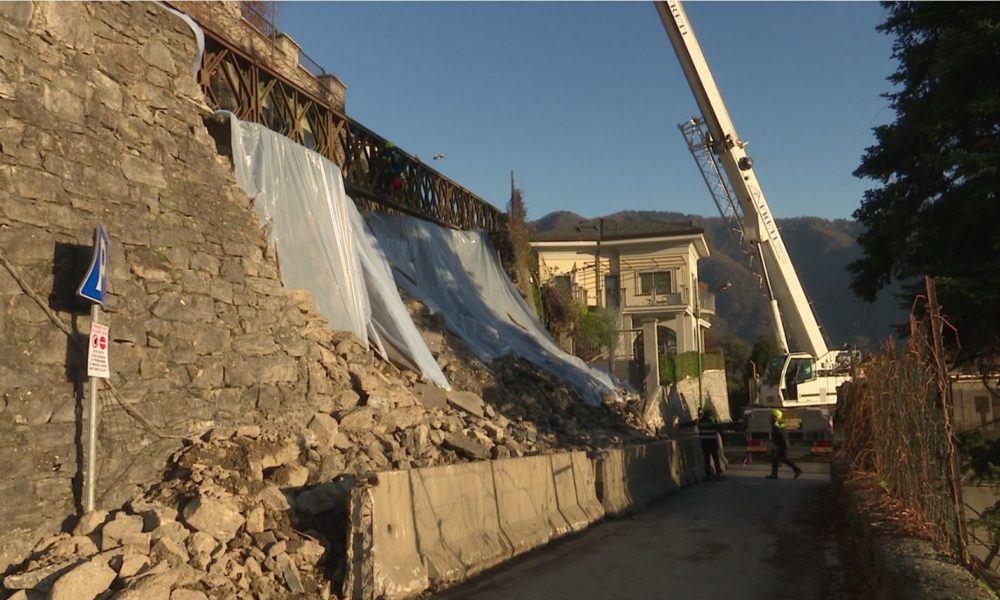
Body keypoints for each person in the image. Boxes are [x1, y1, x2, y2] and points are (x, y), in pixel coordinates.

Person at [675, 406, 724, 480]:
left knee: (706, 459)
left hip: (704, 442)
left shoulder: (699, 420)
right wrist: (725, 439)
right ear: (709, 412)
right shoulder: (713, 420)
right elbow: (720, 431)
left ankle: (708, 475)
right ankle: (718, 474)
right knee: (715, 458)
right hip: (712, 442)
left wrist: (679, 425)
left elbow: (690, 424)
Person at [766, 409, 802, 479]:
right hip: (780, 444)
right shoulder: (778, 423)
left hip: (780, 444)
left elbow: (779, 434)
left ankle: (796, 470)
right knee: (779, 459)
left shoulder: (777, 424)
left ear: (776, 417)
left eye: (773, 416)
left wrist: (776, 445)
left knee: (779, 458)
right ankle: (796, 470)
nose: (771, 418)